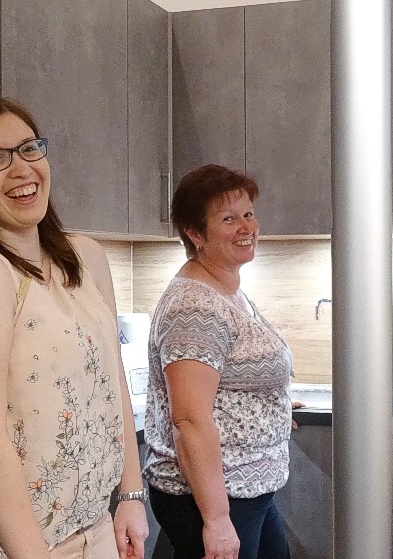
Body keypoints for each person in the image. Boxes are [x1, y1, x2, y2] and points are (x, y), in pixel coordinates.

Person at [0, 95, 149, 559]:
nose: (21, 168)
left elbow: (111, 382)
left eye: (29, 148)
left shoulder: (85, 257)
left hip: (89, 530)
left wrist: (130, 494)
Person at [142, 164, 293, 559]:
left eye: (249, 214)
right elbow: (189, 420)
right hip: (214, 496)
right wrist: (217, 520)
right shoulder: (194, 308)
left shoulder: (225, 288)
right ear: (195, 234)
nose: (246, 227)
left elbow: (227, 378)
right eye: (228, 219)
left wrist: (269, 405)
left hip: (245, 486)